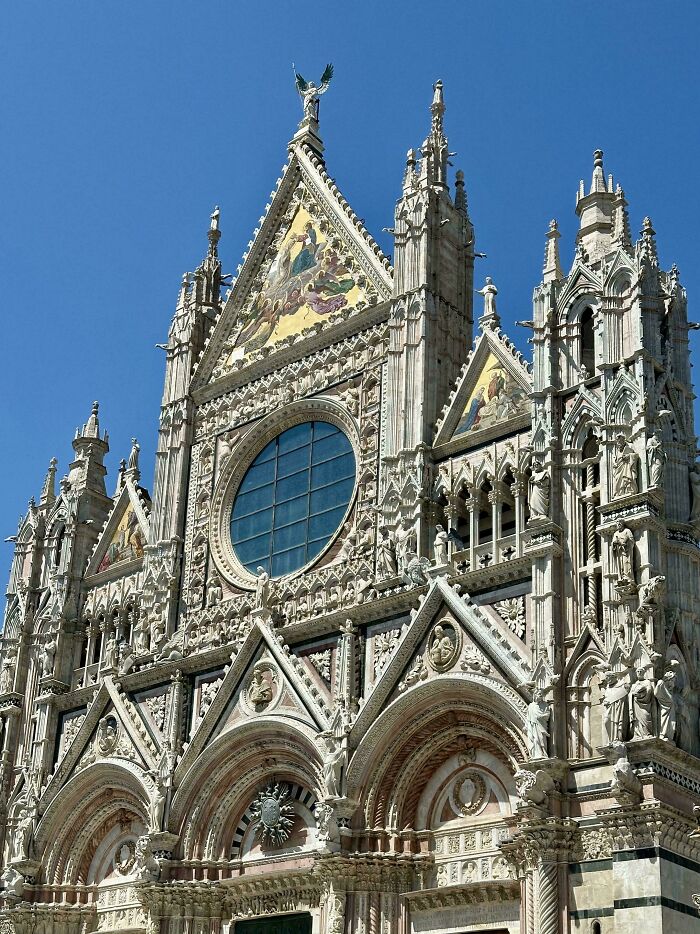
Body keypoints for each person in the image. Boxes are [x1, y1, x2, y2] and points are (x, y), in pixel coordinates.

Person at [526, 689, 550, 758]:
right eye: (539, 694)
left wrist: (541, 716)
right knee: (535, 739)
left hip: (541, 725)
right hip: (533, 726)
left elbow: (547, 714)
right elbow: (528, 717)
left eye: (541, 694)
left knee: (541, 739)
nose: (540, 695)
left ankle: (543, 753)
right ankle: (537, 754)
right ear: (535, 695)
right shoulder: (531, 705)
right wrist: (526, 726)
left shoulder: (545, 705)